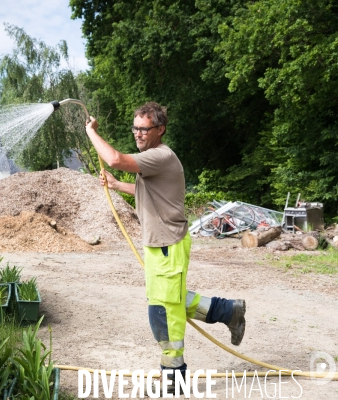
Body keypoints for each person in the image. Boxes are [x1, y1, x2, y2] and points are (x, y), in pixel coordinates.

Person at [85, 102, 246, 394]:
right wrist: (117, 185)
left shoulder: (160, 155)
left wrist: (91, 132)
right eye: (135, 128)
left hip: (168, 245)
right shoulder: (153, 159)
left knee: (163, 311)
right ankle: (227, 311)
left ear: (160, 129)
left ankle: (174, 378)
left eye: (144, 128)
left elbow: (115, 158)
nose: (138, 133)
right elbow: (145, 190)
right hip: (159, 245)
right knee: (170, 300)